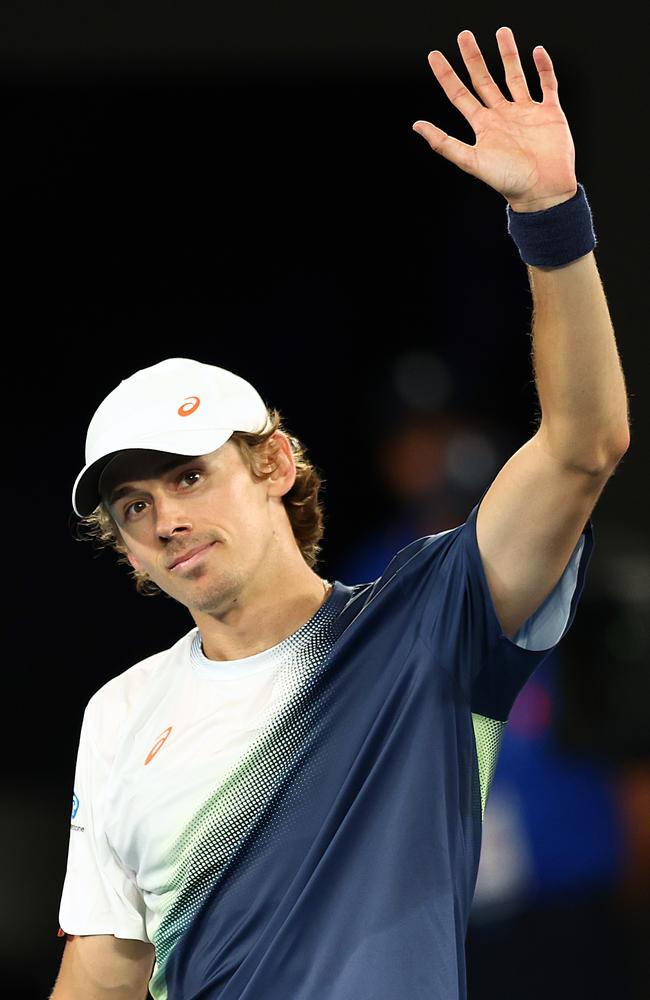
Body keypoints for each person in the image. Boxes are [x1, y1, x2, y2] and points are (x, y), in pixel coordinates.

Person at [51, 25, 630, 1000]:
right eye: (133, 504)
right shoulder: (118, 716)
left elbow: (582, 445)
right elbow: (107, 968)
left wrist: (549, 217)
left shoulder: (427, 620)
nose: (163, 519)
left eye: (189, 477)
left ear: (276, 462)